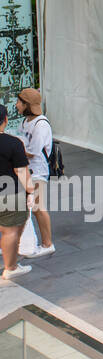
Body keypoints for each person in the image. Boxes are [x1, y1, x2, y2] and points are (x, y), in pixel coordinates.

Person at [14, 89, 53, 259]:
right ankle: (16, 243)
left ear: (26, 105)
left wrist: (14, 150)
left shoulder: (41, 124)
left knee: (38, 207)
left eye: (19, 102)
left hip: (37, 170)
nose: (16, 105)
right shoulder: (25, 122)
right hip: (26, 169)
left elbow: (34, 150)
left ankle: (47, 244)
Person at [0, 105, 31, 282]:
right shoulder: (13, 144)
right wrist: (31, 191)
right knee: (10, 230)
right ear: (5, 120)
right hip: (10, 193)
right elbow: (22, 171)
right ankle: (10, 267)